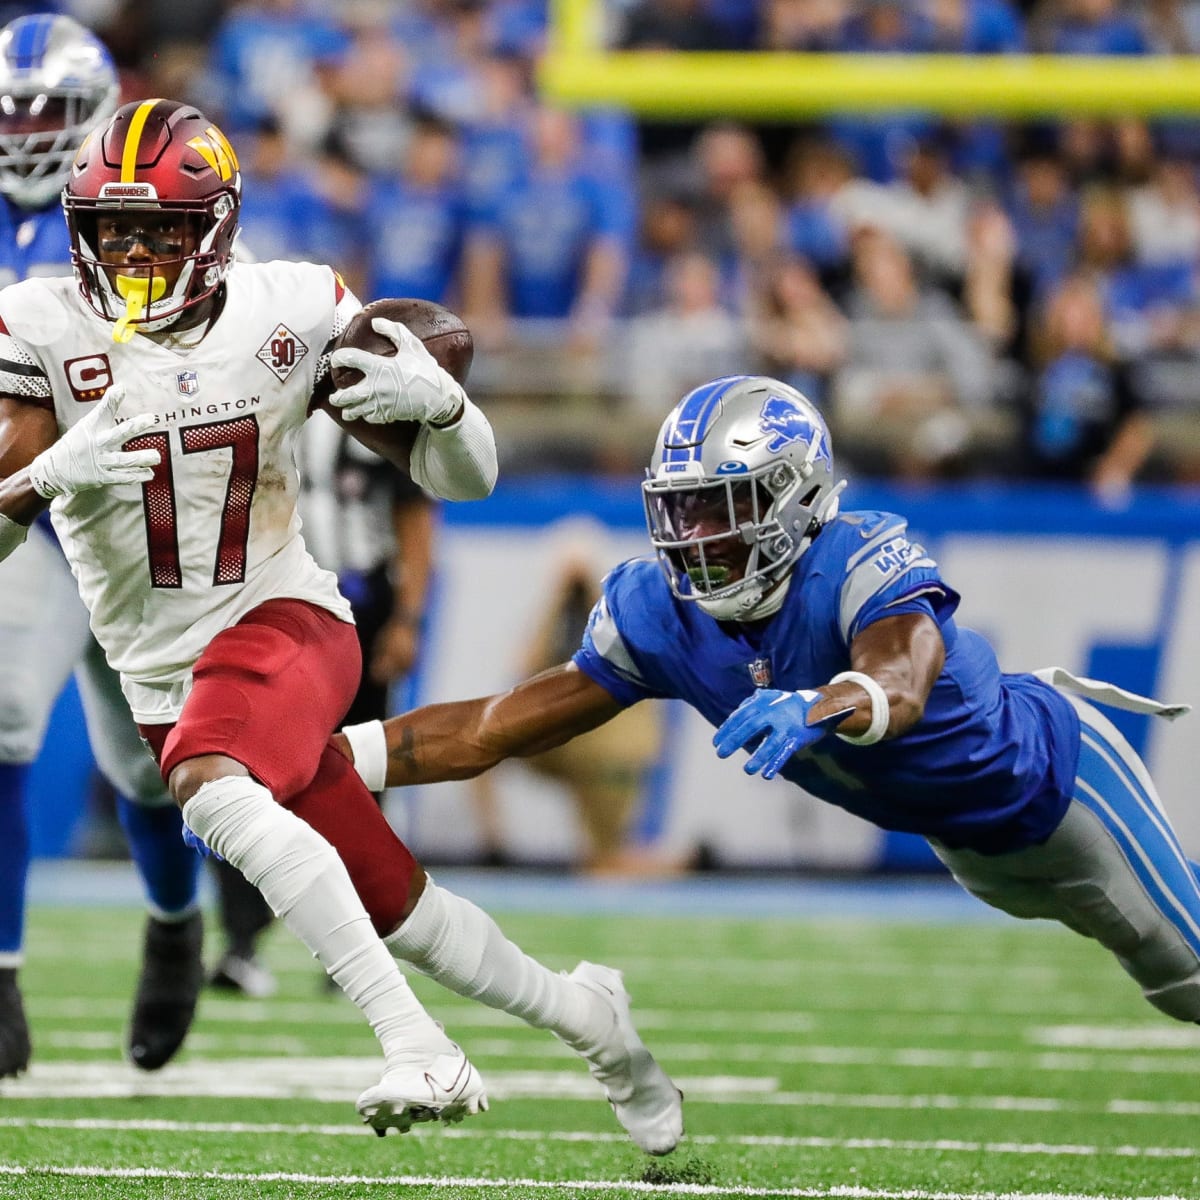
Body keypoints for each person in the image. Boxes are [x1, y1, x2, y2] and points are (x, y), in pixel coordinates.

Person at [0, 97, 683, 1154]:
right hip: (164, 683)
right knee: (406, 911)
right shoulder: (40, 327)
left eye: (162, 232)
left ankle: (417, 1049)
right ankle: (598, 1025)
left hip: (285, 620)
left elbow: (473, 481)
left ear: (216, 228)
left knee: (213, 796)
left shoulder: (292, 308)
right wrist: (42, 477)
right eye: (112, 231)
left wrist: (450, 409)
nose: (134, 254)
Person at [334, 373, 1200, 1032]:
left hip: (1063, 785)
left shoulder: (855, 556)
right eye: (684, 512)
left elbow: (900, 678)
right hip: (973, 848)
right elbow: (493, 727)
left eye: (723, 509)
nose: (697, 539)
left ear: (797, 497)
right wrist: (340, 757)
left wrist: (818, 705)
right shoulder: (659, 613)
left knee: (1187, 980)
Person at [0, 13, 205, 1081]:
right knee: (2, 718)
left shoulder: (136, 201)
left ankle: (175, 924)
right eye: (14, 108)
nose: (29, 130)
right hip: (27, 508)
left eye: (47, 109)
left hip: (133, 507)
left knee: (151, 768)